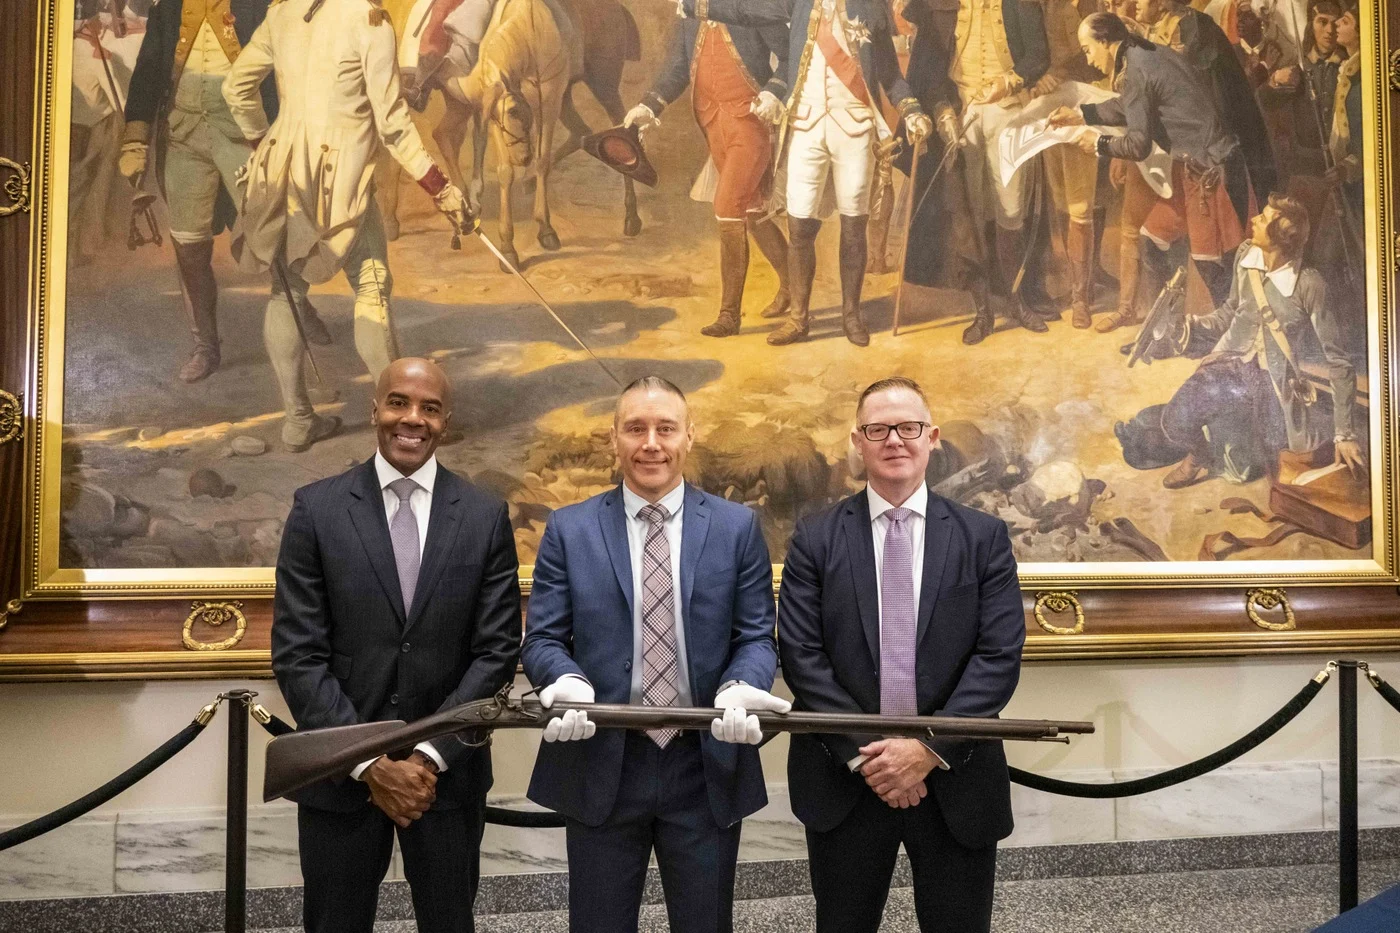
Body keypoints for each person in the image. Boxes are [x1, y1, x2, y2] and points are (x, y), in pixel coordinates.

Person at [521, 376, 789, 933]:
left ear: (689, 437)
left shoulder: (738, 527)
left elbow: (756, 637)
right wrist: (564, 679)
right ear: (613, 439)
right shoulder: (570, 530)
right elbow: (543, 638)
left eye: (665, 428)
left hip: (704, 760)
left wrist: (741, 685)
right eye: (635, 428)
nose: (651, 443)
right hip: (602, 759)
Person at [271, 358, 523, 933]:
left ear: (445, 420)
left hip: (446, 778)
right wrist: (367, 762)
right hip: (340, 777)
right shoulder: (318, 509)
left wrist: (427, 759)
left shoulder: (484, 516)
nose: (413, 419)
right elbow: (298, 652)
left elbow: (496, 650)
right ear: (375, 410)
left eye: (430, 408)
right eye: (399, 403)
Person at [777, 376, 1026, 933]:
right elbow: (801, 655)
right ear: (857, 442)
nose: (895, 439)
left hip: (955, 778)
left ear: (931, 437)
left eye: (908, 427)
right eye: (878, 428)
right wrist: (876, 756)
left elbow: (999, 655)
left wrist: (926, 749)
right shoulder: (814, 538)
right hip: (847, 778)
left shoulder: (982, 537)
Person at [222, 0, 470, 452]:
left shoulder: (282, 12)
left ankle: (297, 422)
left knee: (287, 293)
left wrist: (264, 142)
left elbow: (236, 86)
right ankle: (406, 426)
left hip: (284, 173)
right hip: (344, 180)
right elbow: (393, 125)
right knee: (372, 286)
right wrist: (440, 187)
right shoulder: (368, 20)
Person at [677, 0, 934, 347]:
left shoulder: (871, 6)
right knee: (799, 226)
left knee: (853, 225)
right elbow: (745, 11)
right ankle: (799, 319)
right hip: (805, 126)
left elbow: (889, 72)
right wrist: (696, 7)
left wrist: (912, 110)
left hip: (855, 127)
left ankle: (851, 315)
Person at [119, 0, 326, 383]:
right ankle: (205, 345)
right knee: (189, 246)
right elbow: (148, 73)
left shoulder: (260, 5)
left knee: (273, 231)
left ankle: (300, 307)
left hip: (245, 136)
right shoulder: (169, 9)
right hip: (184, 137)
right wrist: (136, 138)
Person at [1114, 195, 1364, 486]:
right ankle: (1198, 456)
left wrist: (1345, 433)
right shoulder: (1246, 256)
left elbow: (1338, 360)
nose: (1255, 219)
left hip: (1274, 382)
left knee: (1267, 468)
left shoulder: (1309, 284)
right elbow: (1231, 311)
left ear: (1280, 237)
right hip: (1230, 362)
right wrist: (1187, 328)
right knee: (1176, 420)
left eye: (1265, 218)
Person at [1051, 13, 1249, 307]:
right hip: (1194, 166)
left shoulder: (1135, 71)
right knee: (1152, 241)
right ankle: (1162, 330)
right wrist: (1082, 114)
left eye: (1088, 49)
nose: (1089, 59)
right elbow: (1128, 106)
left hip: (1209, 171)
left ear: (1105, 42)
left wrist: (1098, 142)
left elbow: (1138, 145)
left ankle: (1224, 338)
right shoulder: (1145, 53)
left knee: (1212, 262)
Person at [623, 14, 792, 338]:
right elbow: (676, 69)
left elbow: (790, 57)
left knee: (728, 205)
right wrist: (648, 106)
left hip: (750, 122)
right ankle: (793, 286)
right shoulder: (691, 14)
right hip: (713, 124)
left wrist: (773, 92)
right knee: (752, 210)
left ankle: (729, 315)